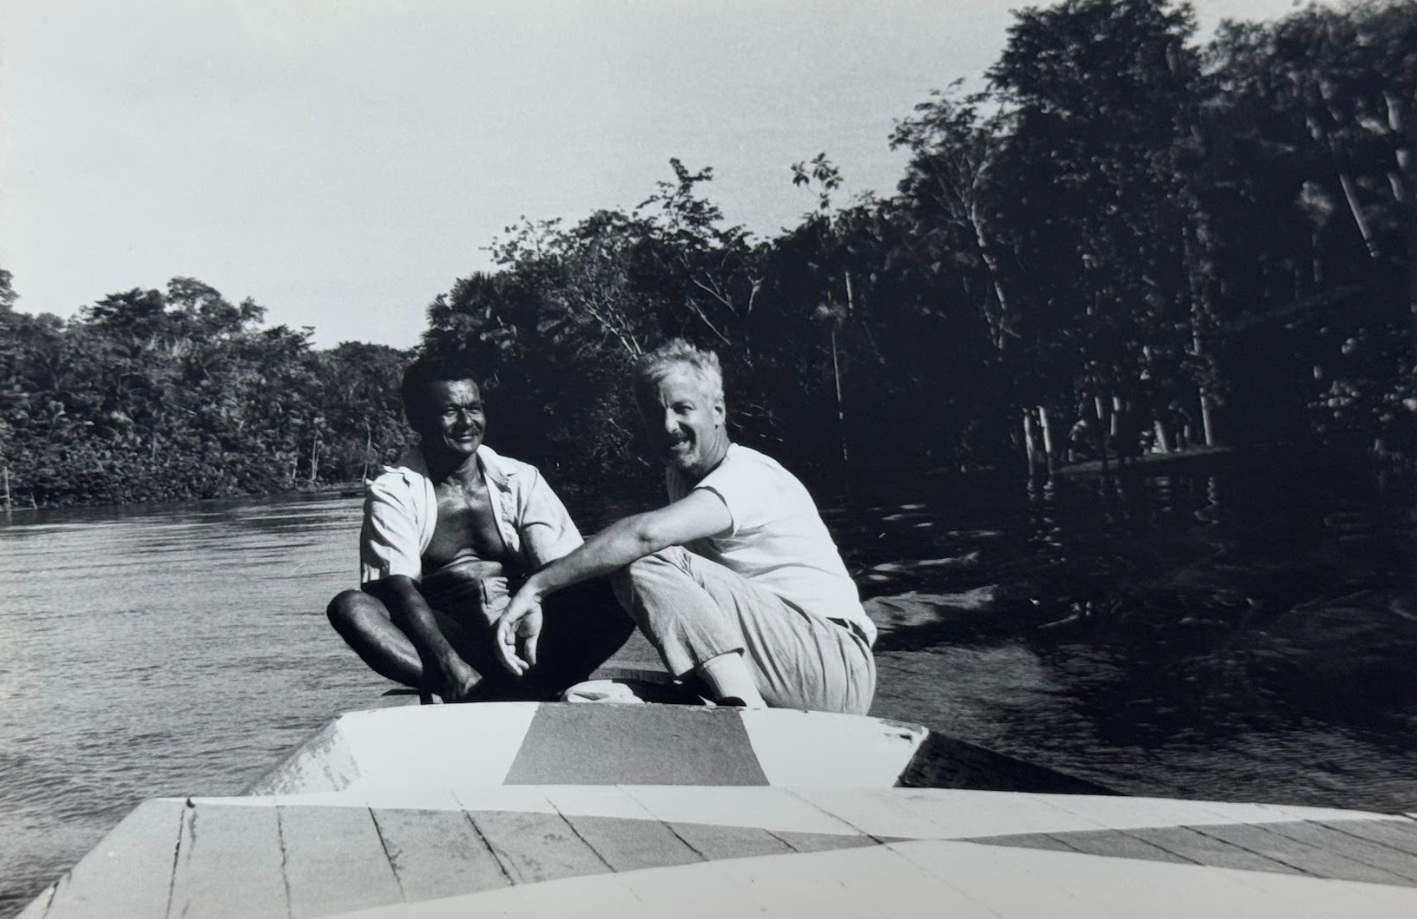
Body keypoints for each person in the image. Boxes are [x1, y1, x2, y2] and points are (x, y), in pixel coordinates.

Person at [494, 339, 876, 714]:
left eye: (682, 409)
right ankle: (530, 685)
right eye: (653, 413)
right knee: (588, 697)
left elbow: (644, 537)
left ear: (718, 411)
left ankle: (747, 715)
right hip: (776, 666)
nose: (668, 426)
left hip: (833, 664)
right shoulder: (680, 478)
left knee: (644, 554)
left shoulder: (748, 475)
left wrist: (537, 588)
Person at [326, 356, 632, 702]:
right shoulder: (393, 491)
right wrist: (448, 664)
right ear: (417, 418)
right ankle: (468, 688)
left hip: (526, 633)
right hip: (450, 645)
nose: (466, 422)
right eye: (450, 411)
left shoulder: (520, 478)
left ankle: (546, 677)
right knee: (350, 607)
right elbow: (398, 590)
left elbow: (562, 569)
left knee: (623, 569)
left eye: (473, 408)